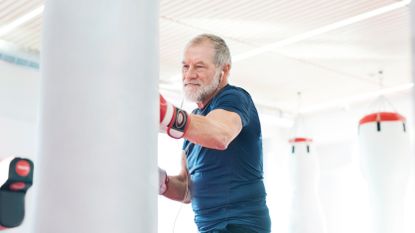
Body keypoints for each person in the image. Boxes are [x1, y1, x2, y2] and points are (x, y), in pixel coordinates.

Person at [159, 34, 271, 233]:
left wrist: (168, 116)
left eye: (199, 66)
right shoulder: (195, 123)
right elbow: (186, 190)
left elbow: (220, 135)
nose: (189, 74)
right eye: (185, 66)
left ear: (224, 70)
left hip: (240, 226)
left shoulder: (234, 97)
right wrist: (161, 182)